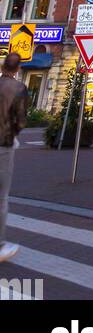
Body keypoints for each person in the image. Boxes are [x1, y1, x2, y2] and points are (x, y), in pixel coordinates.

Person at [0, 52, 28, 262]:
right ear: (17, 69)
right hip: (3, 144)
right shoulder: (19, 89)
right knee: (2, 196)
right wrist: (14, 135)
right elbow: (21, 121)